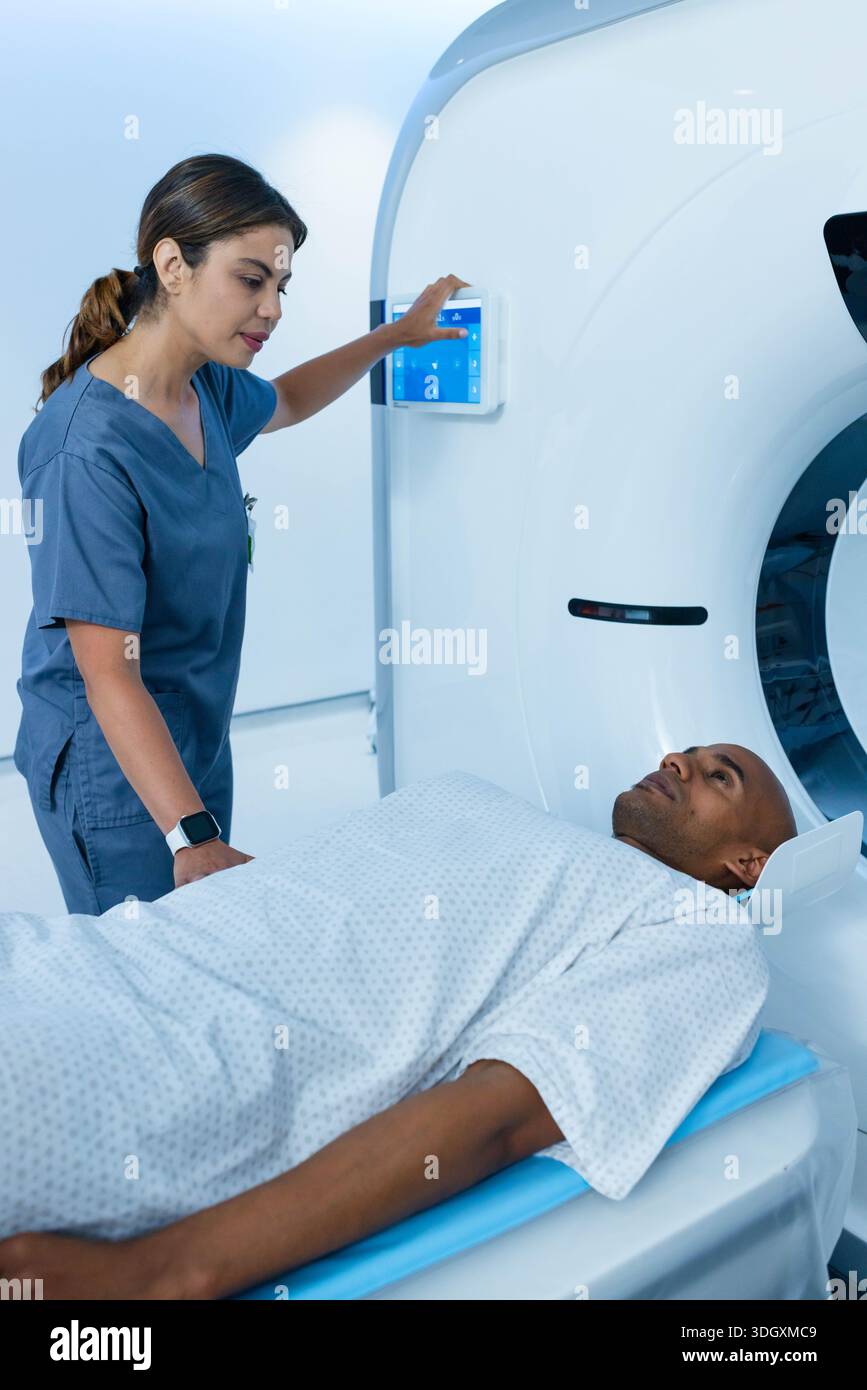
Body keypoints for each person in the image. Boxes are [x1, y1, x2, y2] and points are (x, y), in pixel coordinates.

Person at [0, 744, 795, 1300]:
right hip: (74, 953)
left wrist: (161, 1276)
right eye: (681, 754)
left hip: (117, 1063)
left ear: (746, 865)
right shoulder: (472, 796)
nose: (675, 763)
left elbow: (497, 1115)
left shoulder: (697, 931)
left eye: (717, 776)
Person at [12, 150, 469, 915]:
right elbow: (108, 673)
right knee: (145, 977)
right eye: (251, 280)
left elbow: (287, 399)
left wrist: (397, 336)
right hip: (111, 764)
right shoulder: (84, 450)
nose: (273, 309)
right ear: (173, 264)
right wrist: (190, 834)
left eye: (281, 286)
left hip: (191, 735)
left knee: (202, 953)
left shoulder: (206, 388)